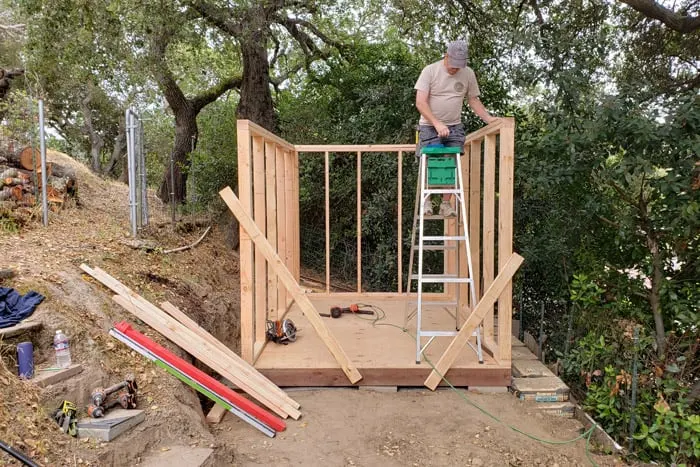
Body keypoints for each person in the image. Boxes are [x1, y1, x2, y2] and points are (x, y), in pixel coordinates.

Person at [414, 39, 496, 216]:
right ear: (446, 56)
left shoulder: (468, 74)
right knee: (432, 165)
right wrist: (437, 123)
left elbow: (473, 100)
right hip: (430, 126)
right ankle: (427, 202)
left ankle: (445, 203)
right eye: (453, 64)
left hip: (454, 127)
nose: (455, 69)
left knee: (450, 165)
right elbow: (420, 102)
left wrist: (489, 119)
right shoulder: (430, 71)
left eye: (459, 65)